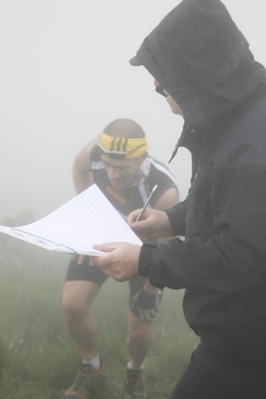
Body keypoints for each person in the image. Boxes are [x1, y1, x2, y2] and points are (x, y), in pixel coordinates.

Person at [92, 1, 266, 398]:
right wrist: (168, 220)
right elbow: (230, 206)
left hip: (245, 346)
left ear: (200, 78)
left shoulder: (254, 143)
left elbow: (246, 256)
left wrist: (145, 260)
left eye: (165, 78)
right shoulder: (236, 118)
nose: (157, 87)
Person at [61, 118, 179, 399]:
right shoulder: (92, 153)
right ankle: (93, 368)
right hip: (104, 235)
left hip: (145, 250)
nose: (112, 174)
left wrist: (151, 292)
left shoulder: (165, 190)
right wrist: (90, 220)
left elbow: (166, 253)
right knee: (72, 304)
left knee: (138, 330)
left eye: (122, 167)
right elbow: (80, 168)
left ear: (143, 158)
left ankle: (135, 373)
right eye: (107, 165)